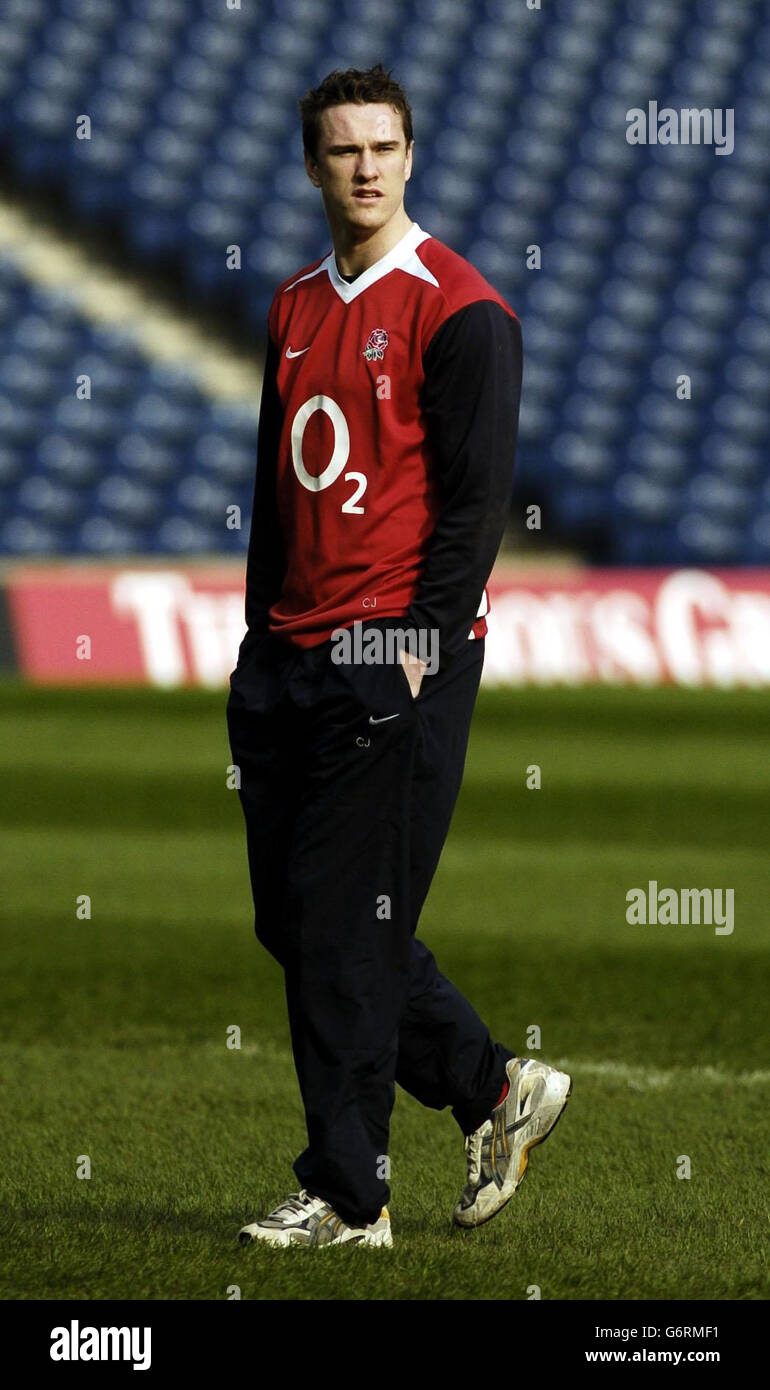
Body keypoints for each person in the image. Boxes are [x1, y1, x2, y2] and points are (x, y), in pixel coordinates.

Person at [226, 63, 571, 1249]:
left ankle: (348, 1195)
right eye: (340, 149)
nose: (363, 167)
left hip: (392, 654)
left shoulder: (461, 306)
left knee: (339, 929)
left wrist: (411, 650)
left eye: (382, 146)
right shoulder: (289, 308)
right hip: (286, 655)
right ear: (312, 163)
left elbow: (475, 511)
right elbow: (277, 492)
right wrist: (253, 635)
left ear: (409, 157)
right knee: (306, 922)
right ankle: (489, 1087)